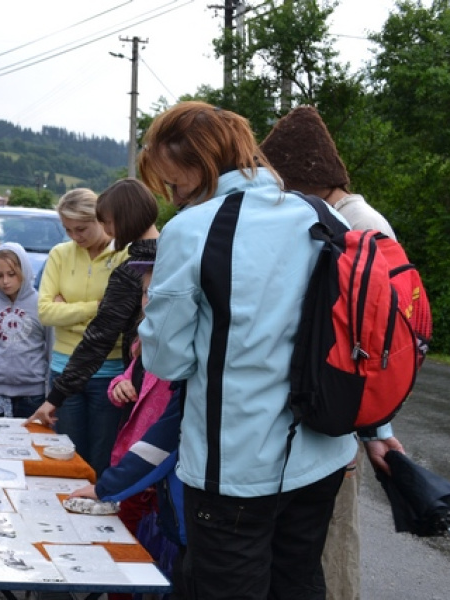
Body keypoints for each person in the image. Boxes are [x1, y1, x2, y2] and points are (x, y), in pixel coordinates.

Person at [137, 101, 355, 599]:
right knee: (298, 583)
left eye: (173, 182)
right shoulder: (319, 215)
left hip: (233, 465)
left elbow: (168, 360)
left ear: (200, 167)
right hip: (321, 453)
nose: (173, 197)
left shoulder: (192, 229)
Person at [260, 104, 406, 600]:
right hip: (334, 407)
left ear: (308, 178)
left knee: (332, 545)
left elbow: (371, 345)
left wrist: (373, 428)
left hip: (340, 411)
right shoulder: (343, 216)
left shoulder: (358, 227)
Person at [68, 260, 182, 599]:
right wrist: (118, 387)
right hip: (130, 462)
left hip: (156, 474)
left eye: (157, 292)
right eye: (146, 292)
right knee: (121, 555)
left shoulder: (182, 353)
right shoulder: (143, 341)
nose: (150, 299)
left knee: (157, 563)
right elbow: (126, 379)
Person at [33, 187, 129, 477]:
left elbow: (120, 319)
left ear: (102, 219)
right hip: (64, 370)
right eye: (68, 230)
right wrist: (96, 308)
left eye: (82, 228)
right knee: (67, 457)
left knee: (101, 460)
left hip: (109, 372)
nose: (75, 237)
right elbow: (45, 312)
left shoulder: (125, 255)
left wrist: (70, 310)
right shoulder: (60, 254)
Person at [0, 243, 52, 418]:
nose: (5, 281)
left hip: (32, 397)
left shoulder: (42, 305)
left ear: (24, 271)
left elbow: (52, 352)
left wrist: (52, 400)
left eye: (11, 274)